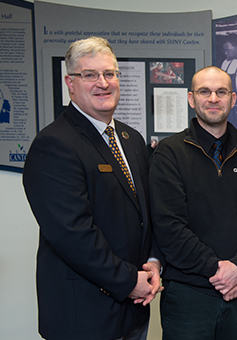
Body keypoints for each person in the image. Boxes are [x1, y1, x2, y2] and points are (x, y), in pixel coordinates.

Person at [23, 37, 162, 340]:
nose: (103, 83)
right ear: (70, 83)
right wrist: (128, 281)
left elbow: (146, 211)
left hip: (134, 309)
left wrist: (153, 261)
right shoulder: (54, 144)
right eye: (90, 75)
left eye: (110, 73)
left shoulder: (131, 139)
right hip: (84, 315)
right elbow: (73, 233)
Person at [149, 66, 237, 340]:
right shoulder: (170, 153)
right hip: (188, 295)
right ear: (191, 99)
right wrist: (220, 272)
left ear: (233, 98)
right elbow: (169, 228)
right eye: (205, 91)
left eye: (221, 92)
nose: (213, 98)